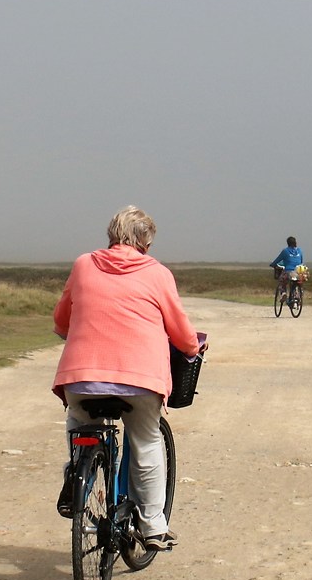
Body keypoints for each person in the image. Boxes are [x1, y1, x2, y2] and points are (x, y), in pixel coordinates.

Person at [52, 206, 203, 549]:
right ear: (145, 243)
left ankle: (78, 477)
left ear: (110, 235)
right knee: (147, 440)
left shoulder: (82, 265)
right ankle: (153, 527)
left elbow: (62, 321)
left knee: (79, 422)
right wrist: (193, 347)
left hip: (82, 376)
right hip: (140, 379)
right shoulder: (158, 273)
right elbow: (181, 333)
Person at [271, 236, 305, 304]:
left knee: (281, 281)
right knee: (297, 282)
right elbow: (301, 261)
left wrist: (272, 264)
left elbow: (278, 260)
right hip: (299, 272)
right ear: (295, 242)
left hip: (289, 271)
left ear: (288, 243)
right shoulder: (300, 250)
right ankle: (297, 294)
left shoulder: (285, 251)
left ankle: (283, 293)